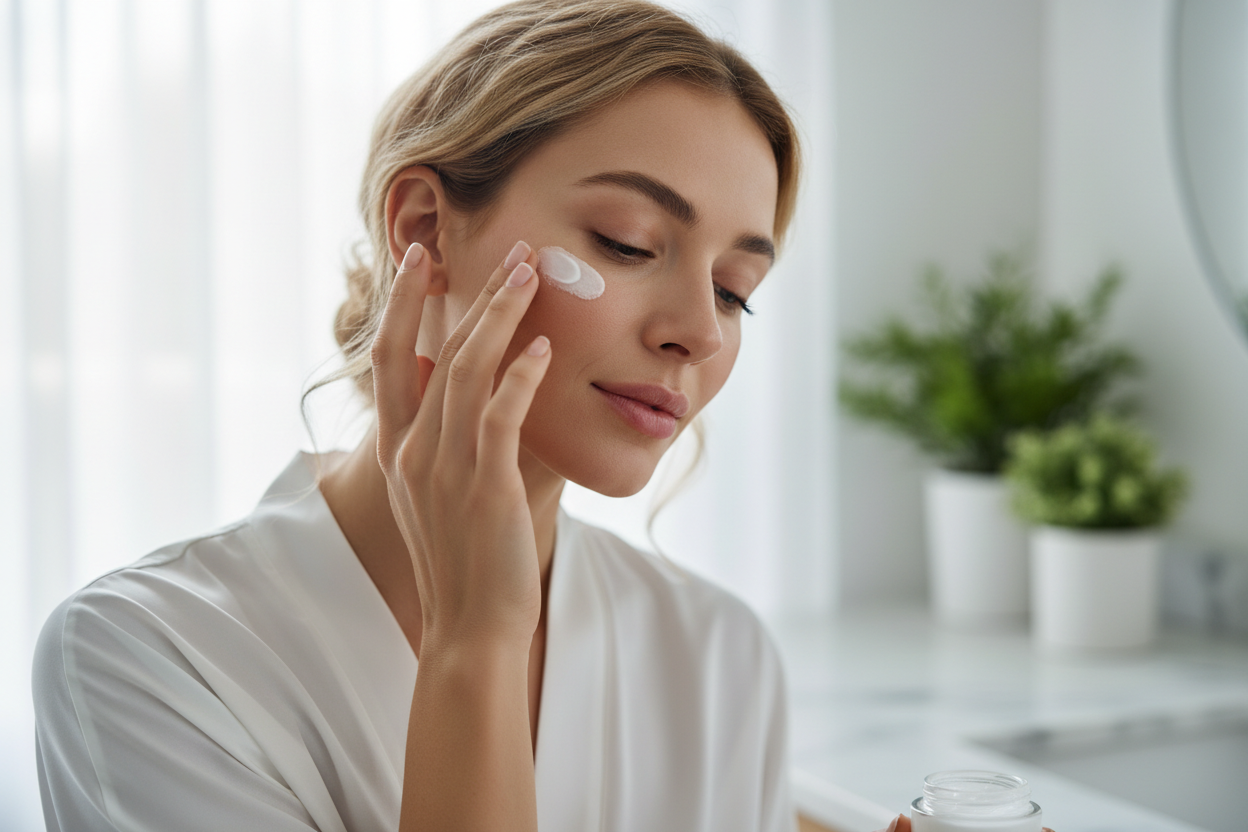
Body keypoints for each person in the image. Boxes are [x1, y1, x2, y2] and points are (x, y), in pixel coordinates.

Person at [32, 1, 806, 829]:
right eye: (628, 242)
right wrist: (475, 640)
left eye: (733, 292)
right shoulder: (147, 656)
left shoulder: (722, 659)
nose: (699, 331)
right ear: (424, 230)